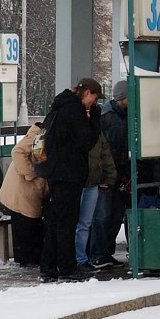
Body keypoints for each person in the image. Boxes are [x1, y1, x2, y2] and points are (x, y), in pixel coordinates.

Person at [40, 77, 104, 283]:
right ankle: (67, 268)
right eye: (94, 98)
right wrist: (94, 117)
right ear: (87, 93)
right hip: (69, 174)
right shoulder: (74, 111)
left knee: (54, 222)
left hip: (56, 172)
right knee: (67, 223)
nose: (94, 103)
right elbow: (86, 141)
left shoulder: (58, 108)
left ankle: (48, 268)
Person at [0, 125, 49, 267]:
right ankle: (27, 260)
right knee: (25, 226)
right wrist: (32, 173)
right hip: (23, 188)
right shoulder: (38, 133)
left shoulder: (43, 133)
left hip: (29, 190)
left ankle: (29, 258)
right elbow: (17, 152)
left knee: (30, 226)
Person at [97, 79, 129, 269]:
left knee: (115, 214)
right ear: (123, 97)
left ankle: (105, 252)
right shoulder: (107, 116)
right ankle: (100, 253)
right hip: (109, 173)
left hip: (120, 172)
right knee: (104, 214)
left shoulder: (120, 114)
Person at [75, 128, 117, 272]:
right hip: (78, 181)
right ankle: (75, 258)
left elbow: (105, 154)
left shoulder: (96, 129)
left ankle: (81, 259)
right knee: (79, 223)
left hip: (92, 181)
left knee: (85, 223)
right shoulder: (74, 126)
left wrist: (109, 177)